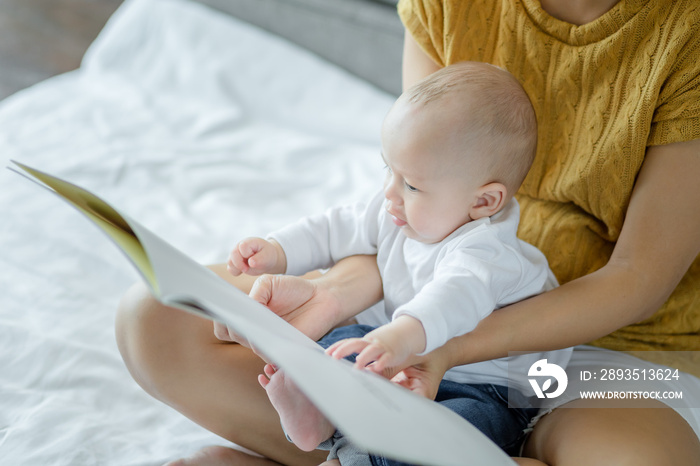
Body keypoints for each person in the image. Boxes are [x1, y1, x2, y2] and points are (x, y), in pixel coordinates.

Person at [115, 0, 700, 465]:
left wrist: (433, 347)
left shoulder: (684, 31)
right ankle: (354, 440)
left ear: (488, 201)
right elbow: (376, 221)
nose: (389, 190)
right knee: (157, 316)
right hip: (406, 325)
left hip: (597, 353)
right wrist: (325, 285)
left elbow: (635, 279)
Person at [219, 61, 571, 464]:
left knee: (438, 436)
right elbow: (336, 227)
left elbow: (452, 297)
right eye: (389, 169)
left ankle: (356, 448)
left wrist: (400, 337)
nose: (390, 193)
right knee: (329, 352)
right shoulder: (396, 207)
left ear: (483, 201)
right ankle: (315, 410)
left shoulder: (487, 251)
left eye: (412, 184)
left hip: (483, 386)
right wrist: (278, 249)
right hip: (394, 350)